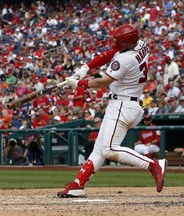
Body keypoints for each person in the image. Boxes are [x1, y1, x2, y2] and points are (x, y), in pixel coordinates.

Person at [57, 24, 167, 198]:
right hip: (127, 104)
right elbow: (111, 52)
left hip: (122, 106)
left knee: (108, 149)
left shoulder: (125, 59)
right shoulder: (141, 44)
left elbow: (103, 82)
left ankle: (153, 165)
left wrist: (78, 84)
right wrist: (85, 68)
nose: (117, 46)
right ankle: (78, 184)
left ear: (129, 44)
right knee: (99, 148)